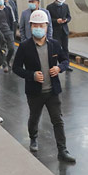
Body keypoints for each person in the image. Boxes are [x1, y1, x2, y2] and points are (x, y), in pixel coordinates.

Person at [12, 10, 75, 163]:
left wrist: (59, 68)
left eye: (42, 25)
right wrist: (32, 75)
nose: (39, 28)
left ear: (47, 26)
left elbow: (65, 60)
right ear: (31, 26)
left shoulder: (54, 45)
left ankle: (62, 150)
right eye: (35, 25)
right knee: (34, 117)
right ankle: (33, 137)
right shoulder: (25, 46)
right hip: (34, 92)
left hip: (52, 91)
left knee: (58, 121)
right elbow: (16, 68)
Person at [46, 0, 73, 72]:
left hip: (64, 31)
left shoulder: (65, 6)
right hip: (55, 31)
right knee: (56, 48)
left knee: (65, 48)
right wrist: (56, 21)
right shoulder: (49, 7)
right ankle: (54, 65)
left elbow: (69, 17)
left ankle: (66, 64)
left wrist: (66, 20)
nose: (60, 3)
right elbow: (48, 20)